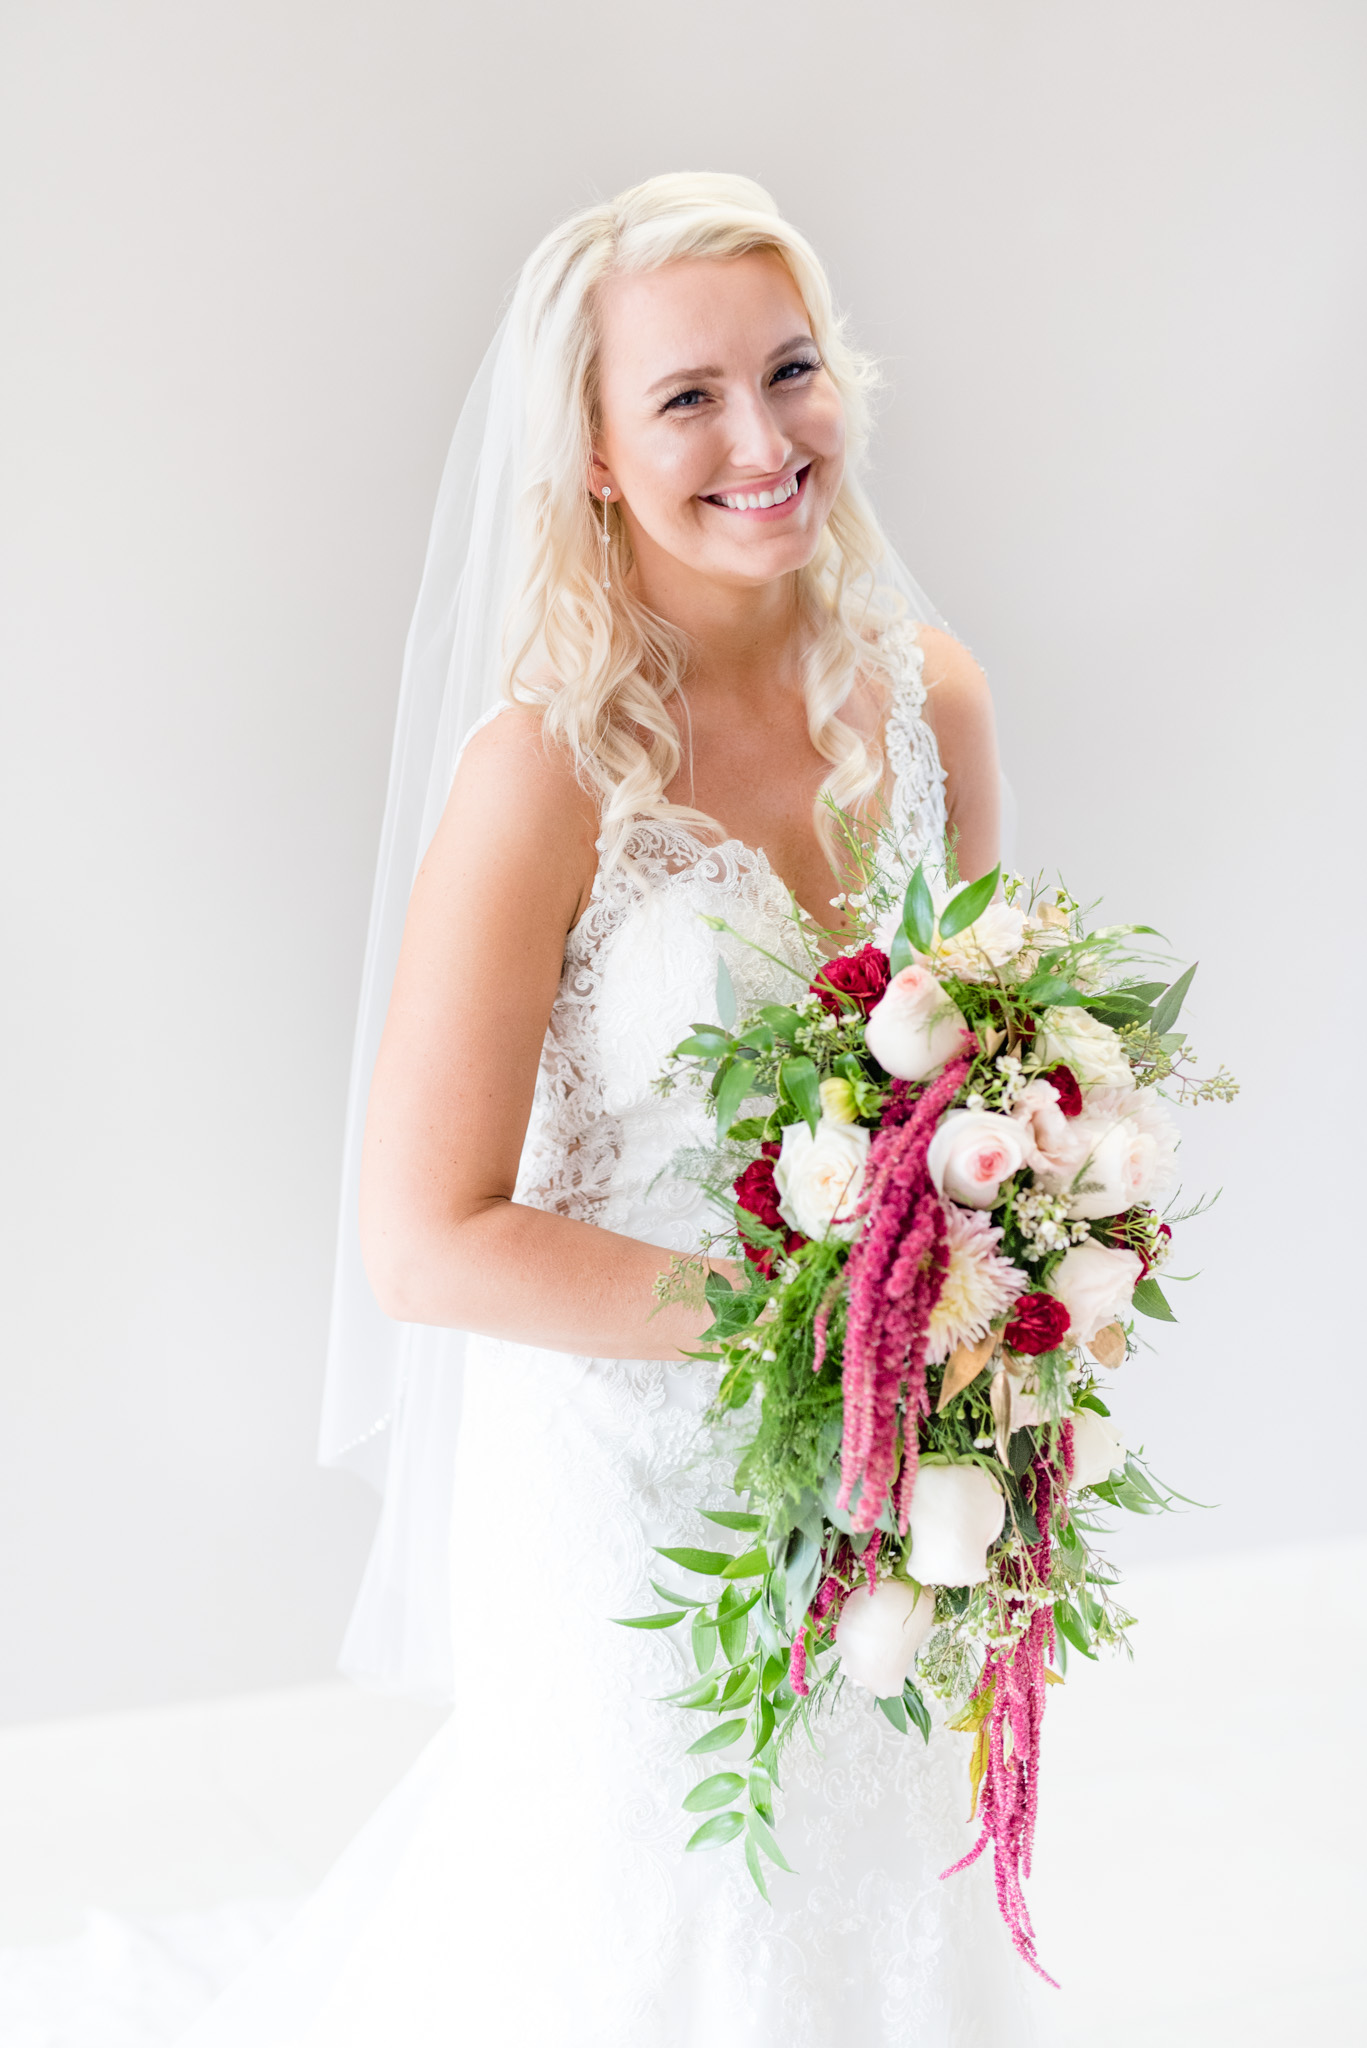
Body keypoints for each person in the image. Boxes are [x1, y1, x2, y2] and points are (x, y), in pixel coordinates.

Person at [188, 170, 1040, 2047]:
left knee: (870, 1876)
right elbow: (424, 1240)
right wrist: (802, 1325)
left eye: (792, 371)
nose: (762, 439)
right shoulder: (546, 773)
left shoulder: (937, 703)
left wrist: (1006, 1264)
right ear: (587, 447)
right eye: (685, 398)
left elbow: (979, 1076)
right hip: (628, 1486)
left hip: (884, 1461)